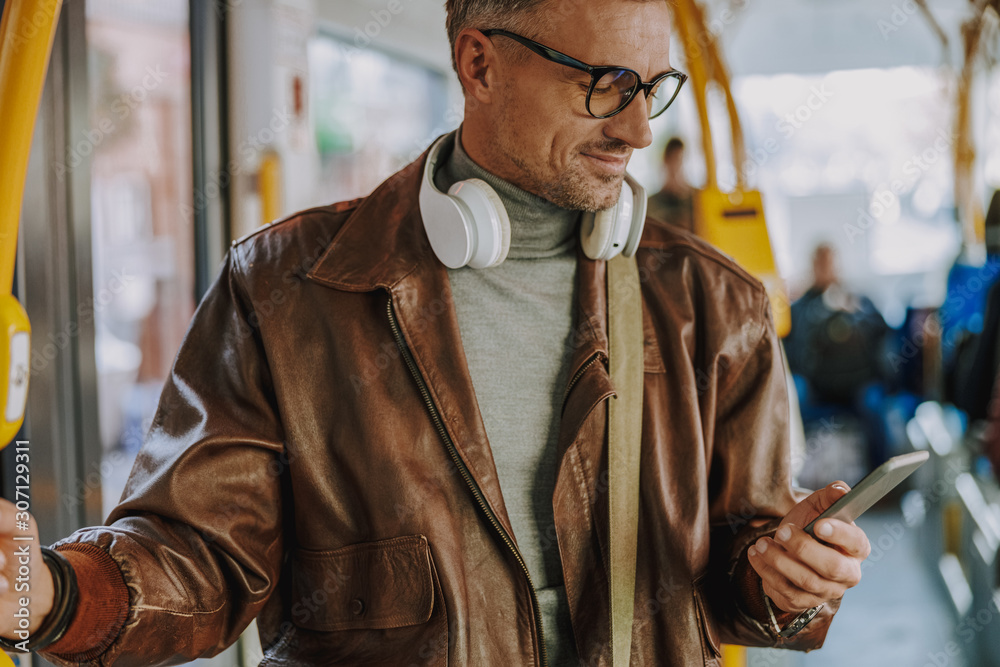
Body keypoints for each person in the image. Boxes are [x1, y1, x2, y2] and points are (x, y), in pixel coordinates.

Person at [2, 1, 870, 665]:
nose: (640, 128)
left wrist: (788, 577)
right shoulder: (286, 289)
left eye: (654, 87)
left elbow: (743, 563)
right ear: (478, 63)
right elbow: (201, 553)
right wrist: (46, 591)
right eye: (603, 83)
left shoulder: (713, 306)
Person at [785, 243, 891, 464]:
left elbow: (882, 331)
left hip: (857, 387)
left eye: (830, 264)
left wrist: (856, 312)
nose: (826, 270)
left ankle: (883, 478)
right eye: (820, 264)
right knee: (794, 403)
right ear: (812, 267)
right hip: (818, 389)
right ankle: (797, 474)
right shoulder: (799, 308)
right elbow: (792, 350)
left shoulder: (858, 300)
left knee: (874, 405)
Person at [646, 136, 696, 232]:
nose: (676, 166)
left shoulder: (695, 199)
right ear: (666, 161)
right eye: (674, 160)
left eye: (680, 160)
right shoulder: (651, 204)